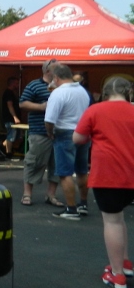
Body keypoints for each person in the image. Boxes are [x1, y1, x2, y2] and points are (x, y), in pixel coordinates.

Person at [73, 78, 134, 288]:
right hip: (131, 172)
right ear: (128, 92)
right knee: (120, 219)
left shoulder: (95, 110)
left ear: (105, 93)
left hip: (108, 174)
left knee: (112, 221)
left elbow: (77, 138)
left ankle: (117, 274)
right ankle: (124, 262)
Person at [45, 63, 91, 220]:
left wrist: (50, 132)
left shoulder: (58, 93)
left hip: (64, 132)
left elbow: (49, 119)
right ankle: (83, 204)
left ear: (56, 78)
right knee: (82, 170)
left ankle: (71, 209)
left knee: (65, 173)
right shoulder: (82, 91)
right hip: (83, 132)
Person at [19, 59, 62, 207]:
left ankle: (51, 195)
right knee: (34, 163)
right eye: (57, 69)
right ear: (48, 71)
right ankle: (27, 194)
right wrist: (42, 107)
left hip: (59, 132)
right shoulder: (34, 85)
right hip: (39, 131)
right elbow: (22, 103)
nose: (60, 71)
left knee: (57, 166)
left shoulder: (62, 86)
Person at [1, 76, 22, 157]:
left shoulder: (11, 93)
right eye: (16, 83)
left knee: (15, 136)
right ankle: (8, 153)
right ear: (12, 84)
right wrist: (15, 117)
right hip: (10, 118)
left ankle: (3, 145)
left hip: (11, 118)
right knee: (11, 136)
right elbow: (10, 105)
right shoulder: (8, 93)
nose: (18, 85)